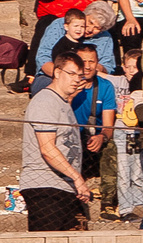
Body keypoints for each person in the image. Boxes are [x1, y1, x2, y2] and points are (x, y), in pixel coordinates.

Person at [20, 52, 91, 230]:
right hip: (45, 187)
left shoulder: (63, 103)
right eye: (71, 73)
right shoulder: (46, 101)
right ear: (57, 72)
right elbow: (47, 149)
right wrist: (77, 178)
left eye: (80, 75)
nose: (76, 79)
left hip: (64, 187)